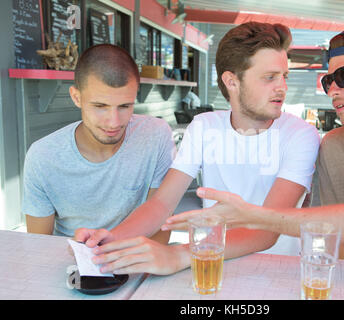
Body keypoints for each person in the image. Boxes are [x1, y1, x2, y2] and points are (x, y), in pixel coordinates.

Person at [165, 26, 344, 268]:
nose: (333, 90)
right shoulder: (333, 146)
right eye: (329, 81)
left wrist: (252, 216)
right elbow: (325, 238)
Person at [75, 22, 320, 275]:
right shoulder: (204, 126)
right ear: (231, 81)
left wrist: (177, 254)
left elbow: (266, 231)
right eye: (270, 77)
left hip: (277, 274)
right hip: (210, 267)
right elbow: (161, 204)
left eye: (284, 76)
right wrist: (109, 239)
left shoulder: (301, 135)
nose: (282, 87)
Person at [23, 44, 174, 245]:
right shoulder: (43, 156)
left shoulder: (156, 135)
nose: (114, 122)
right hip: (73, 263)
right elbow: (38, 245)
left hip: (138, 262)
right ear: (76, 97)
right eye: (100, 106)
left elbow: (161, 228)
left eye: (124, 106)